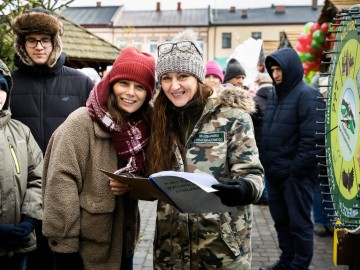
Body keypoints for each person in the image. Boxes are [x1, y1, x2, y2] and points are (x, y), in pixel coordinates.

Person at [147, 28, 264, 269]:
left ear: (198, 77)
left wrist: (242, 188)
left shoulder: (231, 116)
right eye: (166, 78)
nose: (174, 86)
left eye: (182, 76)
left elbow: (254, 177)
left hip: (221, 251)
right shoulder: (160, 118)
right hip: (171, 252)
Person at [42, 46, 156, 270]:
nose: (130, 93)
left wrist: (133, 187)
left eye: (140, 87)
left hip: (124, 244)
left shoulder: (144, 127)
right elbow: (60, 185)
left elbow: (151, 178)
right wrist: (65, 251)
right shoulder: (81, 123)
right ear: (111, 83)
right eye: (124, 83)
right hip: (86, 251)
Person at [10, 8, 94, 269]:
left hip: (70, 193)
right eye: (31, 40)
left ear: (55, 42)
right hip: (23, 197)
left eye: (45, 39)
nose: (38, 46)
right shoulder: (8, 85)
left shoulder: (80, 84)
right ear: (22, 44)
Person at [259, 48, 325, 270]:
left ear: (291, 69)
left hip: (295, 177)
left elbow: (314, 140)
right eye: (273, 70)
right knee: (282, 223)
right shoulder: (276, 95)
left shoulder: (308, 95)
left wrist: (295, 171)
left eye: (279, 69)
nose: (275, 74)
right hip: (275, 175)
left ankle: (299, 266)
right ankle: (286, 261)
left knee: (299, 225)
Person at [0, 59, 43, 270]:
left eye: (2, 87)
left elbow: (38, 178)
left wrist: (29, 221)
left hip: (19, 244)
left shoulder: (21, 132)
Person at [251, 72, 274, 205]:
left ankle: (263, 195)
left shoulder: (255, 100)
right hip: (274, 141)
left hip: (258, 141)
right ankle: (269, 195)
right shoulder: (278, 98)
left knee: (260, 168)